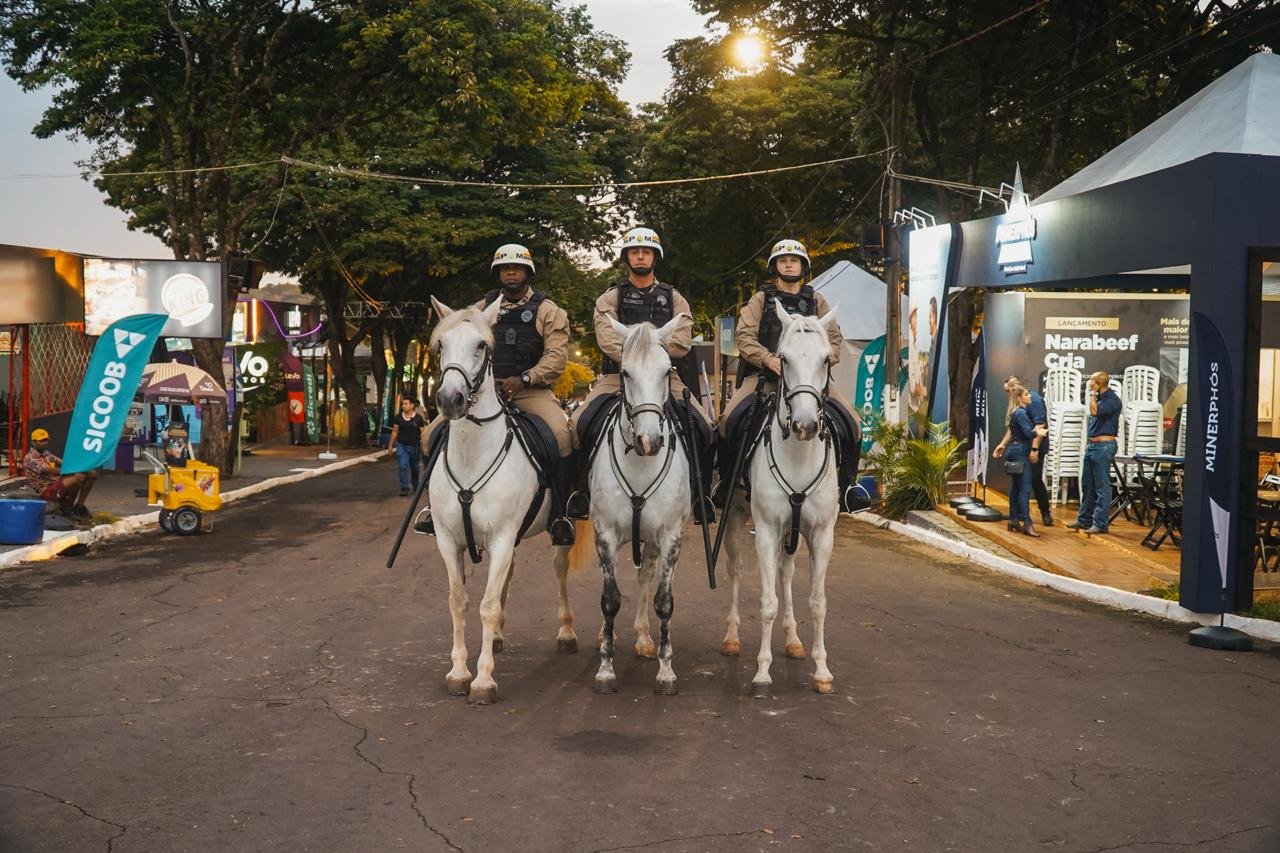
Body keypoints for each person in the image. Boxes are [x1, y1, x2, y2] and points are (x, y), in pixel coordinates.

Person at [418, 243, 577, 546]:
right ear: (498, 273)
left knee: (562, 435)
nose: (511, 272)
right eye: (505, 268)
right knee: (430, 435)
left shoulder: (548, 310)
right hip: (483, 391)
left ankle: (560, 513)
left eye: (517, 267)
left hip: (530, 391)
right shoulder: (478, 310)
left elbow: (556, 358)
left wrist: (526, 378)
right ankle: (433, 507)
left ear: (528, 272)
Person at [566, 227, 715, 524]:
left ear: (655, 257)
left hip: (663, 375)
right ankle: (581, 493)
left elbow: (683, 337)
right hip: (619, 375)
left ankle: (701, 496)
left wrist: (653, 358)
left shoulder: (675, 299)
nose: (641, 256)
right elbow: (607, 337)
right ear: (627, 257)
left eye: (646, 252)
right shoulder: (610, 298)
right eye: (635, 252)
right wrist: (634, 360)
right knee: (577, 425)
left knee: (704, 426)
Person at [712, 238, 864, 512]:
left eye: (794, 260)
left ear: (803, 266)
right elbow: (744, 336)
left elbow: (834, 338)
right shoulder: (761, 300)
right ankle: (727, 481)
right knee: (728, 420)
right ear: (775, 266)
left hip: (809, 382)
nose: (789, 264)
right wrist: (769, 359)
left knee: (852, 421)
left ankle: (848, 486)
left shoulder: (817, 300)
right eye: (783, 260)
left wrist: (820, 361)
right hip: (765, 378)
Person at [993, 374, 1053, 525]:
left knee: (1033, 480)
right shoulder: (1018, 409)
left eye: (1008, 391)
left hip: (1034, 447)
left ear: (1016, 389)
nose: (1007, 394)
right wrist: (1003, 443)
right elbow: (1015, 428)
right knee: (1019, 482)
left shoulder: (1034, 400)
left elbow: (1040, 426)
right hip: (1022, 447)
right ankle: (1017, 514)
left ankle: (1045, 513)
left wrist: (1034, 449)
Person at [1068, 371, 1122, 534]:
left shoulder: (1112, 400)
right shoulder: (1100, 397)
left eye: (1092, 381)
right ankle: (1084, 520)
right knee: (1088, 485)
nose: (1089, 383)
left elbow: (1094, 411)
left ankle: (1100, 524)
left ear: (1098, 384)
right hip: (1093, 446)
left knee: (1101, 487)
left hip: (1104, 446)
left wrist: (1092, 393)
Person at [22, 428, 99, 520]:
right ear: (33, 442)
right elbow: (50, 470)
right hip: (46, 489)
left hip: (57, 483)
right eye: (41, 441)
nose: (44, 443)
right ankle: (67, 508)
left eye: (46, 440)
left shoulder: (46, 453)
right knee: (78, 477)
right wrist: (75, 470)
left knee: (91, 474)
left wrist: (83, 467)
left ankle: (79, 506)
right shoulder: (29, 458)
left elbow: (64, 463)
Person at [388, 397, 425, 497]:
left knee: (415, 468)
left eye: (406, 403)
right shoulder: (398, 417)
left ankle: (416, 485)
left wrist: (424, 445)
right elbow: (395, 431)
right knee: (403, 465)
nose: (403, 405)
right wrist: (390, 445)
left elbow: (423, 433)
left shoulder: (418, 418)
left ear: (412, 405)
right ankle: (404, 488)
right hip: (402, 446)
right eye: (402, 404)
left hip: (415, 447)